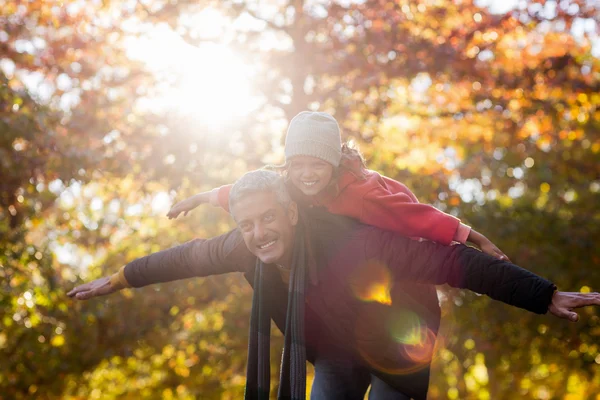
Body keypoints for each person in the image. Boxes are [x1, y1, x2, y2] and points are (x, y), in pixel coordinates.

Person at [68, 170, 600, 400]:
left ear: (292, 214)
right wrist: (116, 280)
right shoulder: (243, 246)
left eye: (267, 219)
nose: (257, 233)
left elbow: (452, 263)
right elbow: (182, 257)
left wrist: (541, 294)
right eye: (247, 223)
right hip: (334, 354)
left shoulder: (355, 242)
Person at [167, 111, 509, 261]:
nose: (307, 175)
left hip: (400, 225)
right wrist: (199, 198)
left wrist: (476, 239)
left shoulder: (360, 193)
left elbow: (417, 217)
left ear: (332, 163)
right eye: (298, 165)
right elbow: (242, 193)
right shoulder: (289, 185)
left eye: (317, 165)